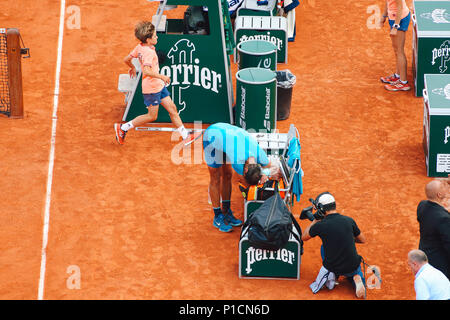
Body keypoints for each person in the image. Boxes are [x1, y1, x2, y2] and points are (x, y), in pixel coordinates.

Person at [115, 21, 201, 146]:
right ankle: (123, 128)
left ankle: (185, 136)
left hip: (158, 86)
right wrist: (162, 76)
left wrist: (132, 67)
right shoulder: (149, 53)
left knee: (172, 109)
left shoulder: (140, 47)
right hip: (151, 88)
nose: (157, 37)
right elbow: (146, 70)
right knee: (151, 116)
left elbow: (126, 59)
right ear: (148, 39)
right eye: (155, 36)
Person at [203, 122, 281, 232]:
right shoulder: (237, 160)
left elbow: (269, 166)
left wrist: (266, 173)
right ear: (245, 170)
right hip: (212, 137)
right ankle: (218, 216)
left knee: (227, 175)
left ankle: (226, 211)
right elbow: (242, 182)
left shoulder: (260, 154)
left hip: (227, 137)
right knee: (216, 177)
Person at [301, 192, 367, 299]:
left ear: (322, 209)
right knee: (353, 270)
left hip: (334, 266)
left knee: (324, 246)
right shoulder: (349, 220)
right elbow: (363, 240)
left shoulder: (320, 226)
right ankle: (357, 278)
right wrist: (345, 238)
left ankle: (334, 276)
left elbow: (304, 237)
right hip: (353, 265)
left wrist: (315, 220)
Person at [416, 178, 450, 279]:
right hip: (439, 265)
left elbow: (437, 213)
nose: (446, 188)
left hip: (425, 254)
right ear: (439, 195)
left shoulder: (422, 206)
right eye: (444, 187)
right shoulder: (444, 219)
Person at [379, 0, 411, 91]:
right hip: (393, 18)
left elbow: (400, 7)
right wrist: (384, 16)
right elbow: (388, 2)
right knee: (396, 50)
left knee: (399, 50)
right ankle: (398, 75)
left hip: (400, 20)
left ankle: (403, 83)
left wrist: (395, 26)